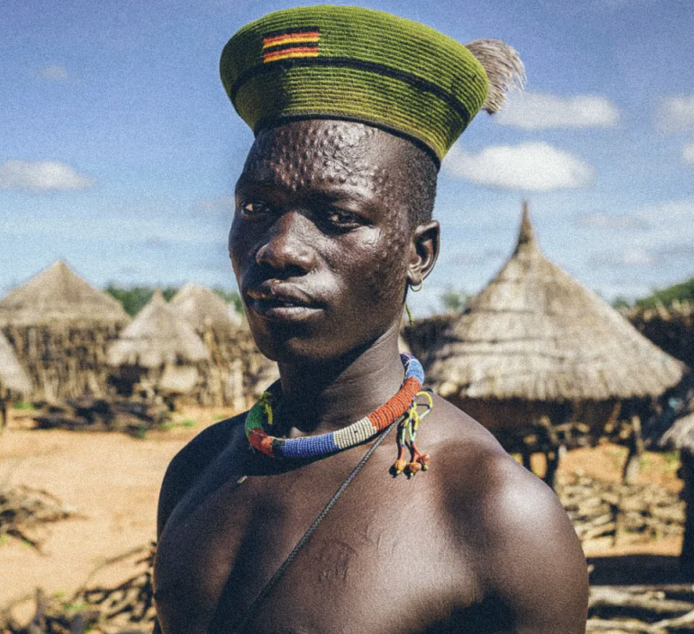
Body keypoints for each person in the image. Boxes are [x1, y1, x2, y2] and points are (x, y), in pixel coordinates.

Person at [153, 6, 589, 633]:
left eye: (337, 217)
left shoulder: (497, 516)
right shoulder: (197, 468)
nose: (278, 248)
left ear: (419, 253)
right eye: (256, 205)